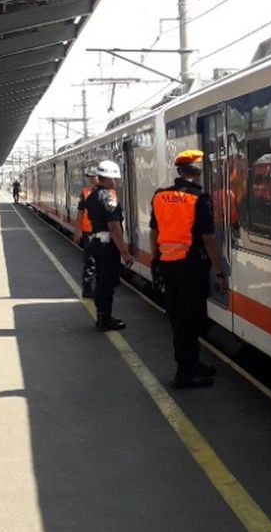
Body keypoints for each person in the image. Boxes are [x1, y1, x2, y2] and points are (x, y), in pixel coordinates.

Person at [151, 149, 227, 388]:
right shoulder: (198, 198)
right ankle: (185, 372)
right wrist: (219, 272)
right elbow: (208, 239)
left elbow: (154, 232)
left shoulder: (160, 196)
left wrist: (156, 260)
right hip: (191, 267)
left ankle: (193, 363)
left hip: (168, 265)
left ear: (180, 171)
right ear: (197, 170)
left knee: (179, 317)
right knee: (189, 319)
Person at [83, 160, 134, 331]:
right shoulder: (109, 197)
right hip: (108, 245)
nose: (116, 182)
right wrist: (125, 252)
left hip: (95, 242)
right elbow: (114, 226)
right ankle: (105, 319)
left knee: (101, 280)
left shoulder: (91, 196)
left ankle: (102, 316)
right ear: (110, 178)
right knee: (107, 282)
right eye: (115, 178)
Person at [73, 166, 100, 299]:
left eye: (93, 176)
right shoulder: (85, 192)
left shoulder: (110, 192)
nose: (91, 179)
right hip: (88, 231)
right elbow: (80, 212)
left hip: (103, 233)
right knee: (89, 261)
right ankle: (87, 289)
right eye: (89, 177)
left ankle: (99, 288)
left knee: (102, 261)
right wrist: (77, 231)